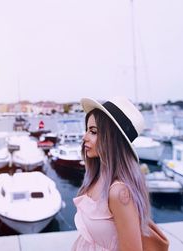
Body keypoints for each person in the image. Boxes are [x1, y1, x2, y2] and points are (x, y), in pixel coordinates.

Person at [72, 97, 151, 251]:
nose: (84, 137)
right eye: (87, 130)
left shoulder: (119, 192)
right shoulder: (96, 177)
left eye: (93, 131)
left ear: (112, 139)